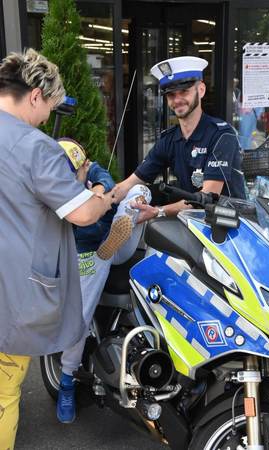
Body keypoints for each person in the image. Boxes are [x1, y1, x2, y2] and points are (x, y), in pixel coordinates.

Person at [0, 49, 115, 450]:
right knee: (4, 395)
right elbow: (83, 214)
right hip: (12, 299)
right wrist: (101, 192)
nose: (48, 117)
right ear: (35, 95)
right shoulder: (35, 147)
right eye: (49, 106)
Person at [56, 138, 151, 424]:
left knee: (139, 189)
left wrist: (98, 191)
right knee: (80, 318)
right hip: (88, 257)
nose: (81, 172)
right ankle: (66, 380)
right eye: (74, 171)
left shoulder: (91, 169)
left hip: (113, 244)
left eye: (81, 167)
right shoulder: (55, 187)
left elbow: (107, 180)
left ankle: (124, 226)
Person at [114, 56, 246, 218]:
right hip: (193, 221)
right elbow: (132, 182)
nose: (177, 100)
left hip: (229, 226)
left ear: (201, 90)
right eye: (170, 94)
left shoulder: (222, 135)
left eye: (184, 91)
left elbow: (208, 197)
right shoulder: (170, 139)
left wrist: (159, 211)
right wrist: (102, 199)